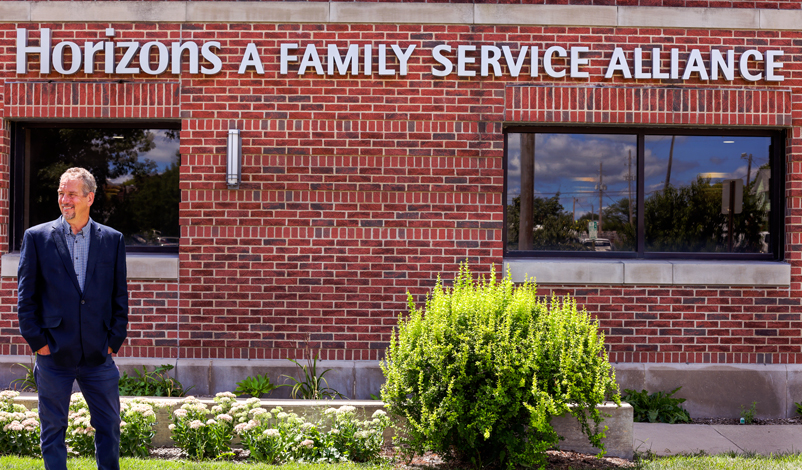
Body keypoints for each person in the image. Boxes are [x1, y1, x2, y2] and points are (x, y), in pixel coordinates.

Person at [17, 167, 128, 470]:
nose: (64, 200)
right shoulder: (37, 238)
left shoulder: (112, 240)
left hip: (98, 355)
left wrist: (113, 341)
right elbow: (25, 299)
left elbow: (120, 296)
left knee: (109, 427)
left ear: (89, 197)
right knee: (53, 431)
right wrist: (39, 344)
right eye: (60, 193)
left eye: (71, 194)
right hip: (53, 354)